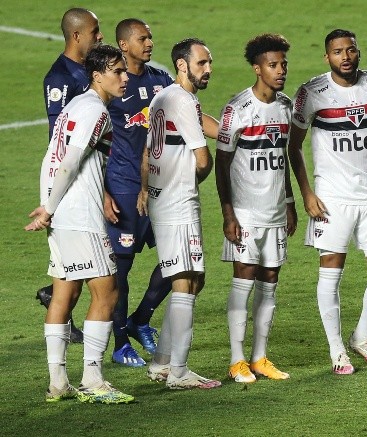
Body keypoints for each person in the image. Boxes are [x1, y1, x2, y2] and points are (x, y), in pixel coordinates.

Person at [288, 29, 367, 375]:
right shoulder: (312, 92)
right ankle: (336, 348)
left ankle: (361, 337)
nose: (345, 56)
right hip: (332, 198)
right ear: (327, 57)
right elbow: (293, 145)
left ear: (358, 52)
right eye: (338, 51)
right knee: (331, 272)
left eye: (351, 50)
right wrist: (307, 193)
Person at [26, 44, 134, 404]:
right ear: (97, 75)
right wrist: (49, 208)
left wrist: (47, 204)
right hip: (78, 216)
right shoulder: (94, 112)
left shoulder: (76, 106)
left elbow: (50, 157)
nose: (124, 77)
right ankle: (93, 379)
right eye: (117, 71)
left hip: (64, 216)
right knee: (108, 291)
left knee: (65, 293)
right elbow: (69, 162)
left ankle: (58, 383)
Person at [138, 38, 221, 390]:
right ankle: (180, 372)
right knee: (186, 280)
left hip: (161, 197)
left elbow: (146, 153)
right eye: (202, 63)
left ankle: (162, 363)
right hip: (178, 202)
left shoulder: (161, 97)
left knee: (190, 280)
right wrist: (190, 183)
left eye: (209, 62)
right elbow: (204, 159)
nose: (208, 69)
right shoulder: (183, 101)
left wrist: (148, 189)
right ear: (182, 65)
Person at [215, 34, 297, 383]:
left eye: (283, 65)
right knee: (243, 279)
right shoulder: (237, 109)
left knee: (270, 280)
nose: (280, 71)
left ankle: (260, 357)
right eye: (273, 65)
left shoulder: (287, 107)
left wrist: (291, 202)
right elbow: (221, 164)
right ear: (257, 67)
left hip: (276, 210)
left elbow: (285, 160)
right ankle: (237, 360)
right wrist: (228, 213)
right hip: (246, 212)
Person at [103, 18, 174, 368]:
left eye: (150, 37)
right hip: (125, 187)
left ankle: (140, 319)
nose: (149, 43)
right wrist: (103, 192)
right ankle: (119, 343)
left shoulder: (161, 80)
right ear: (123, 45)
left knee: (178, 259)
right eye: (142, 38)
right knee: (121, 269)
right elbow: (92, 144)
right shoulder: (113, 87)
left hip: (161, 188)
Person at [37, 7, 104, 343]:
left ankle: (59, 368)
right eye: (95, 31)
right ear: (77, 36)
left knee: (74, 277)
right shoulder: (61, 78)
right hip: (76, 183)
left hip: (89, 174)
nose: (100, 36)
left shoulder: (86, 71)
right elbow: (59, 139)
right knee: (103, 283)